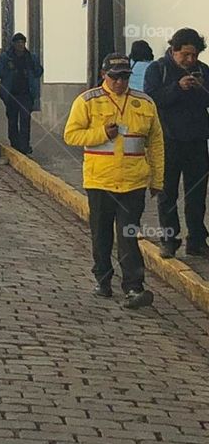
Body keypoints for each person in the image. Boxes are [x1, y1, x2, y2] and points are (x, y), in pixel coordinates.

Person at [64, 52, 164, 309]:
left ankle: (134, 287)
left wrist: (158, 180)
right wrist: (100, 133)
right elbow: (71, 136)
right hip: (100, 181)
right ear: (103, 75)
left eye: (124, 77)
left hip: (134, 181)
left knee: (129, 234)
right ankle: (103, 279)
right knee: (101, 234)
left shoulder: (144, 103)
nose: (120, 82)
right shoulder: (87, 101)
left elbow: (155, 143)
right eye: (115, 77)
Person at [143, 27, 209, 259]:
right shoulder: (157, 69)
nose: (190, 60)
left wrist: (200, 87)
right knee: (167, 194)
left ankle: (197, 239)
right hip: (167, 141)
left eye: (195, 55)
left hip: (197, 140)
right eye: (186, 55)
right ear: (174, 50)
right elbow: (151, 99)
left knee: (197, 194)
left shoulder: (203, 71)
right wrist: (177, 87)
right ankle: (169, 239)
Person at [0, 33, 43, 154]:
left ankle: (24, 146)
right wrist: (7, 70)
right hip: (11, 94)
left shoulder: (31, 57)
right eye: (18, 43)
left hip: (26, 94)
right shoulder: (6, 57)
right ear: (13, 44)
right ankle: (14, 144)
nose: (20, 45)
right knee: (12, 120)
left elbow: (38, 71)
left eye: (22, 42)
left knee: (25, 120)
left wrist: (33, 70)